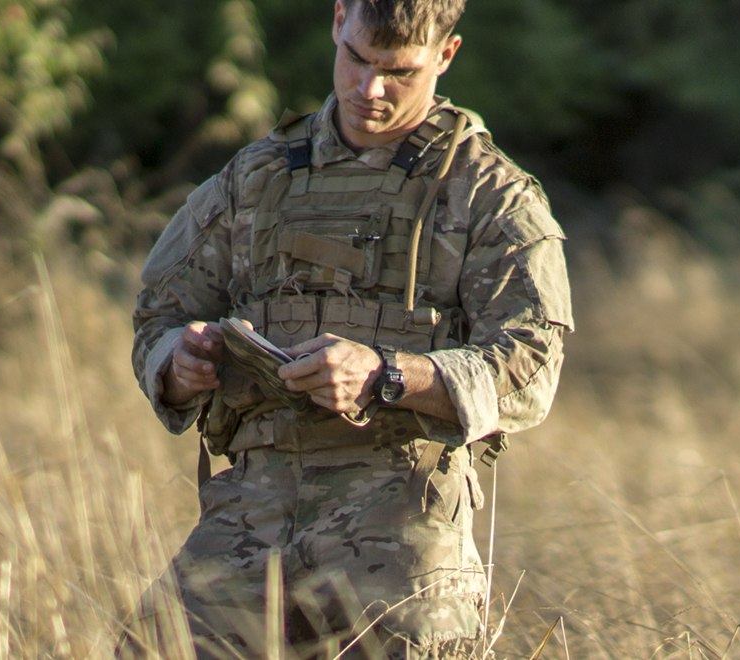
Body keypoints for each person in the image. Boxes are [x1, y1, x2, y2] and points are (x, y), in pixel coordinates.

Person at [125, 0, 573, 655]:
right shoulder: (257, 176)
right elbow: (158, 315)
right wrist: (177, 360)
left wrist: (387, 375)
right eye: (357, 60)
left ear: (446, 56)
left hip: (402, 513)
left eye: (399, 71)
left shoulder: (488, 192)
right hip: (255, 503)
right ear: (338, 22)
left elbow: (531, 365)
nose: (371, 89)